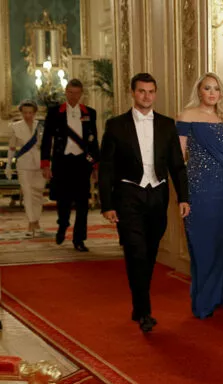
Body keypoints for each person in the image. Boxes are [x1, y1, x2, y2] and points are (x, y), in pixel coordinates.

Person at [98, 73, 190, 333]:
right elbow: (106, 168)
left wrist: (183, 197)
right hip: (128, 195)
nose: (146, 96)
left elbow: (177, 165)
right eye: (141, 91)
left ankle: (139, 302)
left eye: (151, 91)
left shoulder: (166, 125)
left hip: (157, 196)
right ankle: (144, 310)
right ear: (133, 93)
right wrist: (107, 204)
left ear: (155, 94)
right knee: (136, 251)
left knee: (149, 253)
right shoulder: (116, 125)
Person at [176, 73, 223, 319]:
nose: (212, 92)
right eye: (207, 88)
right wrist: (182, 195)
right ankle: (205, 300)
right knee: (203, 245)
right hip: (199, 189)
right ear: (199, 91)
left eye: (216, 88)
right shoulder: (186, 116)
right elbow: (177, 157)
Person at [40, 79, 100, 251]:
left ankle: (79, 239)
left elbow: (94, 140)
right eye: (71, 93)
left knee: (82, 203)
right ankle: (63, 224)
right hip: (62, 162)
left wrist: (95, 166)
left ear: (81, 94)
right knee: (63, 201)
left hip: (82, 162)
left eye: (77, 93)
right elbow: (47, 140)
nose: (74, 96)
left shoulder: (90, 113)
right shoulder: (55, 112)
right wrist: (45, 164)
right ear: (66, 92)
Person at [7, 100, 45, 237]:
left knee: (38, 193)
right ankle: (31, 222)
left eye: (30, 113)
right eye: (25, 113)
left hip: (40, 164)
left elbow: (47, 146)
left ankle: (37, 221)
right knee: (28, 194)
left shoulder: (41, 126)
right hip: (24, 164)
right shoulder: (15, 127)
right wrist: (8, 165)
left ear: (35, 113)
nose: (28, 115)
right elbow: (12, 147)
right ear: (21, 112)